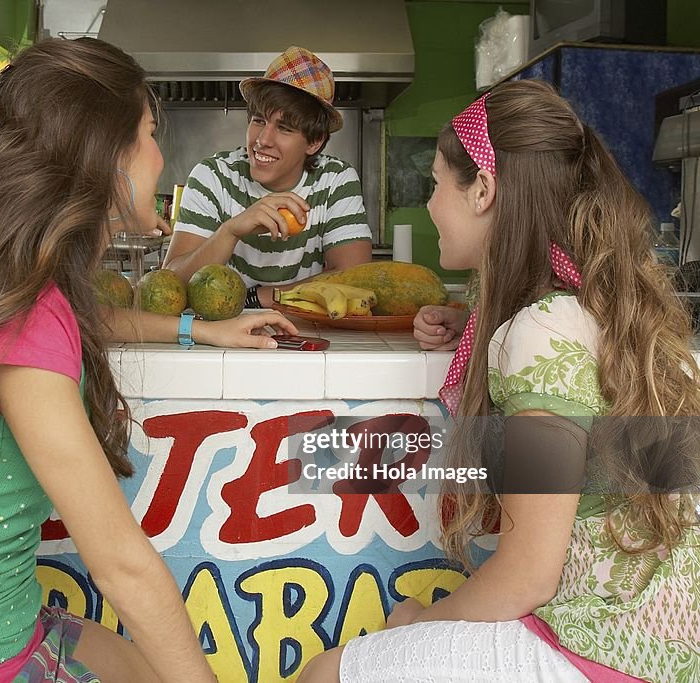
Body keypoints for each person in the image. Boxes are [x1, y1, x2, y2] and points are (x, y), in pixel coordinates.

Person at [0, 37, 295, 683]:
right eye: (149, 133)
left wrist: (198, 328)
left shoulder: (5, 283)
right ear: (107, 156)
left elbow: (73, 328)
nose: (162, 155)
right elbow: (121, 567)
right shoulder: (26, 315)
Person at [300, 79, 700, 682]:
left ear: (482, 189)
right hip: (668, 649)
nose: (431, 203)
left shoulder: (539, 329)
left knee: (324, 675)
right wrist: (474, 325)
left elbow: (528, 574)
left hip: (607, 649)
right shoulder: (602, 309)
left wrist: (421, 625)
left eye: (436, 184)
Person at [163, 46, 373, 309]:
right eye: (259, 121)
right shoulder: (213, 176)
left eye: (284, 128)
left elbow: (356, 278)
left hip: (308, 333)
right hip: (221, 334)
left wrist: (259, 297)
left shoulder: (336, 180)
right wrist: (230, 231)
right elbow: (170, 284)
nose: (262, 141)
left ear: (315, 142)